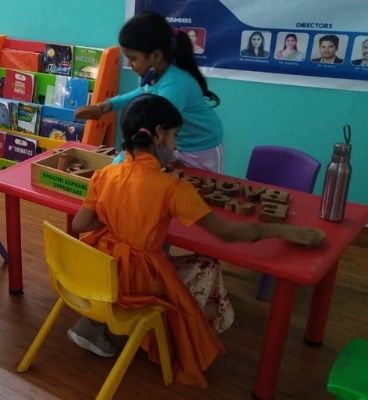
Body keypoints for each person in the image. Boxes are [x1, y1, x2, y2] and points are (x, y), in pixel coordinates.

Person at [67, 93, 326, 387]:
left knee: (154, 263)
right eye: (175, 136)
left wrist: (118, 215)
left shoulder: (105, 174)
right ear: (159, 134)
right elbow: (228, 233)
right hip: (135, 281)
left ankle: (97, 321)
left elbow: (79, 224)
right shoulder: (172, 187)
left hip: (99, 272)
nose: (176, 146)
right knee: (207, 265)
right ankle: (168, 334)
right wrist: (283, 231)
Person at [75, 10, 225, 173]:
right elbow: (140, 94)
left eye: (133, 58)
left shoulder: (174, 87)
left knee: (196, 188)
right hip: (177, 143)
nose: (130, 64)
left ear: (156, 56)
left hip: (201, 148)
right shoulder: (152, 74)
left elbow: (147, 132)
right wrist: (106, 105)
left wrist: (118, 164)